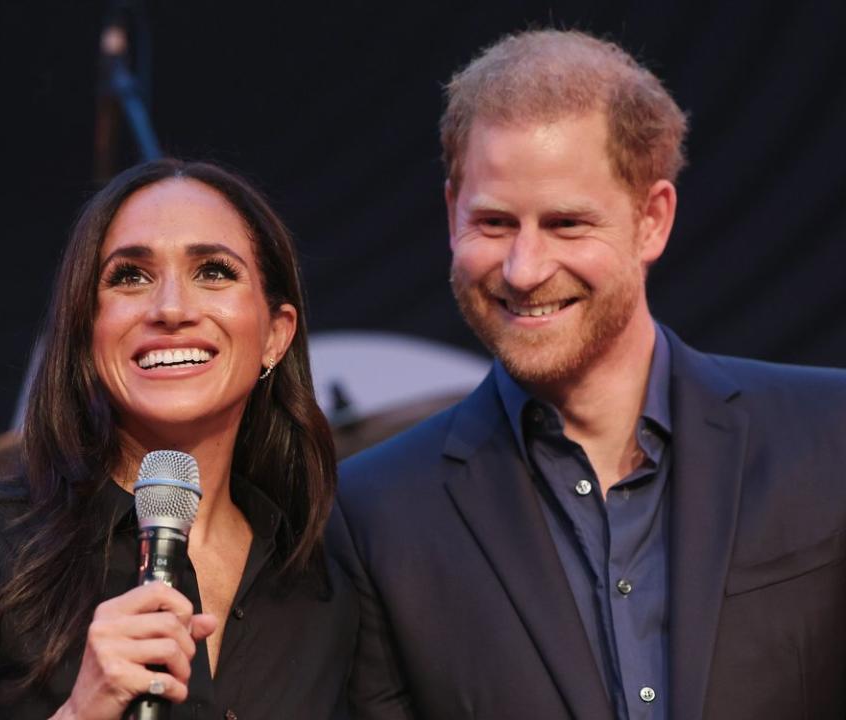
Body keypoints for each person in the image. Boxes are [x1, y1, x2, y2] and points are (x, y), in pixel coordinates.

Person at [328, 29, 846, 720]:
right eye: (494, 222)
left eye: (567, 223)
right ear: (451, 214)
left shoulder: (829, 437)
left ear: (652, 220)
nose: (524, 268)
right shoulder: (374, 515)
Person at [0, 159, 357, 718]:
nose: (172, 310)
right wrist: (82, 711)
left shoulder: (327, 584)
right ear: (87, 332)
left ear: (276, 335)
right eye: (129, 277)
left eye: (213, 271)